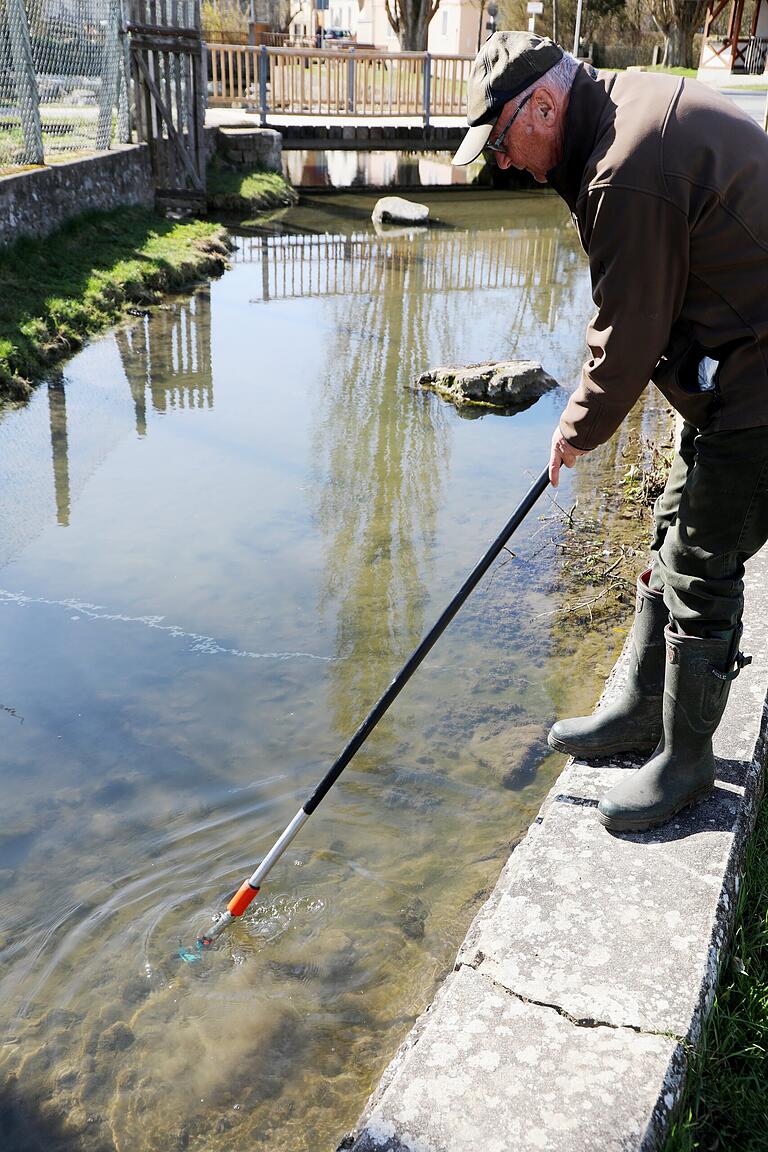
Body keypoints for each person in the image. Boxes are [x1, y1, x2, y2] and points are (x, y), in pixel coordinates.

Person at [452, 31, 768, 833]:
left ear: (544, 104)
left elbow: (627, 332)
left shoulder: (629, 165)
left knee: (703, 556)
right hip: (731, 360)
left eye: (501, 142)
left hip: (761, 376)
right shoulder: (614, 119)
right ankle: (637, 712)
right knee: (670, 524)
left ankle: (687, 765)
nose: (504, 163)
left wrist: (575, 429)